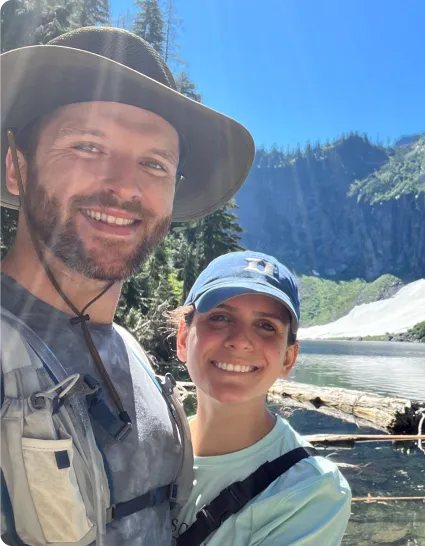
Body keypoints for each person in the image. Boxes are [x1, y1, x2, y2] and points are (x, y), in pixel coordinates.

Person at [0, 27, 254, 545]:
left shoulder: (131, 352)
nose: (125, 186)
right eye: (88, 146)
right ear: (15, 168)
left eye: (155, 164)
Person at [169, 251, 351, 546]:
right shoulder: (147, 447)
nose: (240, 341)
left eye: (267, 326)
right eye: (219, 317)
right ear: (183, 339)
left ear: (288, 359)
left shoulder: (312, 491)